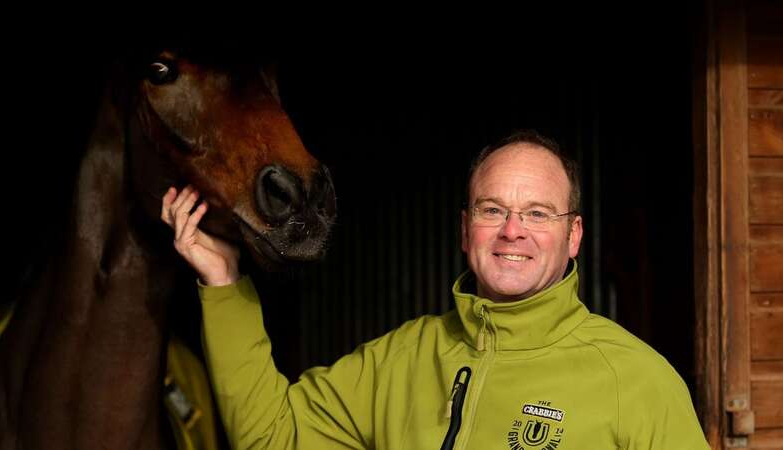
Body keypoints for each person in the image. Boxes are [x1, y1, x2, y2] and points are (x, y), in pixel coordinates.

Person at [162, 130, 710, 449]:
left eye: (537, 213)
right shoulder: (401, 359)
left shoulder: (638, 382)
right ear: (464, 228)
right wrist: (226, 283)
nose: (512, 230)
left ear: (573, 236)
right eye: (492, 209)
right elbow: (272, 437)